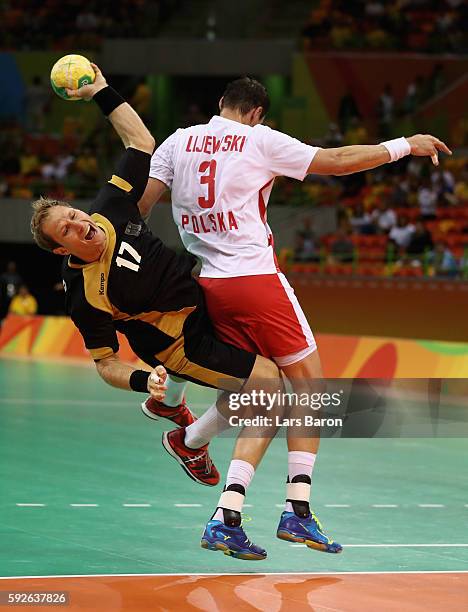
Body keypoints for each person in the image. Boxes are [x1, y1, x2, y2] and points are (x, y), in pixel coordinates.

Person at [139, 76, 451, 559]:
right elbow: (338, 161)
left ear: (220, 105)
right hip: (256, 281)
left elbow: (138, 210)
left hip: (209, 287)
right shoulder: (258, 139)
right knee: (310, 391)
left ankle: (200, 458)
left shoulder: (176, 141)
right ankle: (296, 512)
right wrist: (401, 145)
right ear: (257, 112)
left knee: (258, 394)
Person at [30, 65, 283, 495]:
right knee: (268, 385)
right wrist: (143, 379)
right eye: (67, 230)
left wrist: (102, 91)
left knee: (274, 370)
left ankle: (172, 411)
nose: (78, 223)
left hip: (199, 295)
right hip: (180, 344)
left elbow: (140, 142)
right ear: (61, 249)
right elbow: (105, 363)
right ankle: (189, 441)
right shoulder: (84, 295)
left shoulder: (108, 206)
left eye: (73, 214)